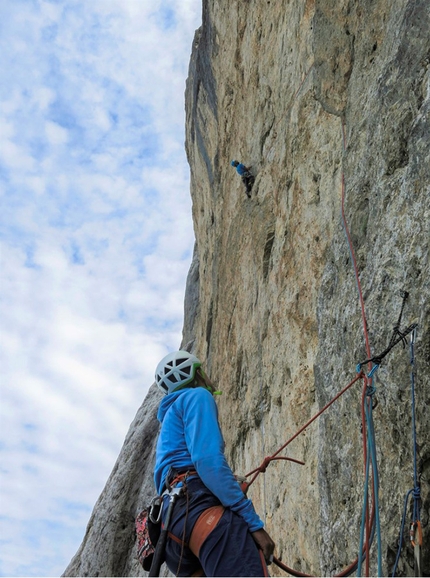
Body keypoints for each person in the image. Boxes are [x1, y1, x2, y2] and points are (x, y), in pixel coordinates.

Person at [154, 350, 275, 577]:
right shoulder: (197, 396)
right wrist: (253, 524)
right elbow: (206, 460)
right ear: (196, 372)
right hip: (200, 513)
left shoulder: (168, 421)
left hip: (172, 532)